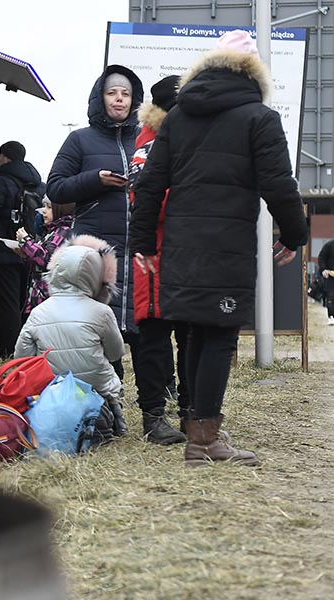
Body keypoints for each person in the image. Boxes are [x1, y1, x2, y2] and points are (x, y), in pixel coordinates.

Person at [130, 30, 309, 466]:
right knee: (217, 334)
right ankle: (204, 440)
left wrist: (142, 244)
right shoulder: (258, 117)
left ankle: (199, 427)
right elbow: (279, 184)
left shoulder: (176, 117)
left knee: (194, 330)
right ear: (254, 73)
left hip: (178, 244)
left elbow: (150, 183)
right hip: (226, 244)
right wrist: (295, 233)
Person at [46, 64, 143, 437]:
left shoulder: (147, 138)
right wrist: (95, 181)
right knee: (95, 331)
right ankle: (103, 413)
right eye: (112, 93)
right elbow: (56, 187)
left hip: (140, 250)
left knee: (144, 333)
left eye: (125, 94)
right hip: (97, 253)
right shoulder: (80, 141)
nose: (119, 100)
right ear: (100, 98)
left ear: (134, 99)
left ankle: (153, 412)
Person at [125, 75, 188, 445]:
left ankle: (191, 413)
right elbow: (146, 200)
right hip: (156, 257)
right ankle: (153, 417)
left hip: (188, 255)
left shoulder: (190, 137)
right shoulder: (148, 143)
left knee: (192, 337)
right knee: (152, 338)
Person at [14, 234, 124, 444]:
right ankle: (113, 416)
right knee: (109, 374)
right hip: (97, 389)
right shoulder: (102, 312)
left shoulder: (38, 312)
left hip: (54, 391)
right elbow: (115, 353)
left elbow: (22, 357)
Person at [0, 141, 44, 358]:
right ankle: (30, 350)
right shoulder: (36, 184)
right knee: (24, 304)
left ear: (7, 157)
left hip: (2, 253)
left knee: (6, 306)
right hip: (28, 251)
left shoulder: (2, 182)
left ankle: (13, 353)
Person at [14, 197, 75, 316]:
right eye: (44, 206)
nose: (44, 211)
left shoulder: (63, 231)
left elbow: (48, 259)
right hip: (38, 297)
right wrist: (26, 254)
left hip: (46, 300)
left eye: (49, 207)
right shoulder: (52, 230)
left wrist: (26, 242)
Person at [318, 238, 334, 324]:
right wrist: (323, 269)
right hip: (331, 276)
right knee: (331, 297)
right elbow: (321, 257)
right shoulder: (329, 245)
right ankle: (331, 317)